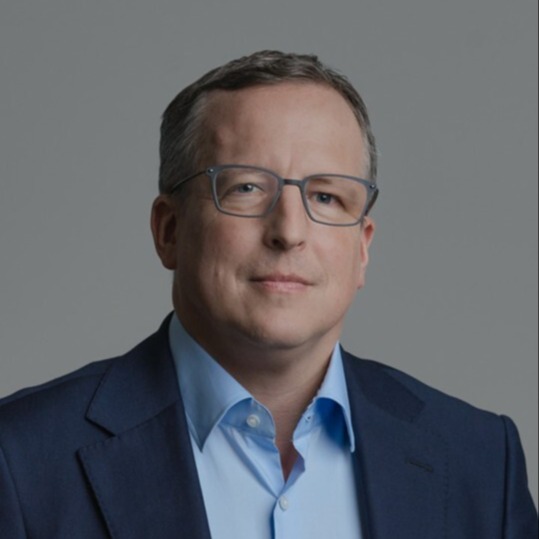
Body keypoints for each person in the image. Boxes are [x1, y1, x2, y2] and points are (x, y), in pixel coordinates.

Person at [0, 50, 536, 539]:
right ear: (169, 231)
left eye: (325, 197)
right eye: (247, 188)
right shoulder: (20, 460)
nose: (289, 231)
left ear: (362, 247)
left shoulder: (481, 463)